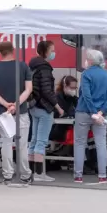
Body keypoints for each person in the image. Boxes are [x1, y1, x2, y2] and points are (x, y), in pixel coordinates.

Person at [0, 41, 33, 185]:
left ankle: (7, 175)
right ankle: (25, 174)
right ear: (13, 50)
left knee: (6, 143)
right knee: (22, 144)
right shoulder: (23, 66)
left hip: (3, 112)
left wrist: (6, 104)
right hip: (22, 112)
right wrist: (16, 104)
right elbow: (28, 89)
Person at [73, 49, 107, 184]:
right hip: (101, 115)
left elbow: (86, 94)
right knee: (101, 143)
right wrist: (101, 112)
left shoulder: (86, 74)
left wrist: (93, 112)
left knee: (80, 143)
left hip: (84, 112)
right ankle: (102, 175)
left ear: (90, 61)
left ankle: (78, 176)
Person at [28, 40, 64, 182]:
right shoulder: (44, 68)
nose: (53, 53)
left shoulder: (32, 65)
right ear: (45, 51)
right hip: (44, 107)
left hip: (34, 106)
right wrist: (57, 106)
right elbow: (47, 91)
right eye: (52, 50)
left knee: (34, 140)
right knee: (41, 141)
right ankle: (39, 173)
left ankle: (30, 172)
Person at [49, 76, 78, 142]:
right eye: (71, 88)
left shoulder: (71, 96)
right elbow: (59, 113)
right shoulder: (57, 96)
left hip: (64, 127)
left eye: (75, 88)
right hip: (57, 129)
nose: (73, 90)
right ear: (65, 86)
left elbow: (79, 105)